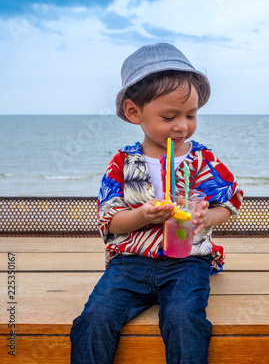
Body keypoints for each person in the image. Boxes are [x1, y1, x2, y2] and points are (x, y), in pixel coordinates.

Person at [70, 43, 243, 364]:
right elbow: (111, 222)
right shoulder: (123, 163)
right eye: (169, 116)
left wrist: (206, 217)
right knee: (93, 320)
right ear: (134, 112)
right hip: (129, 265)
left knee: (182, 319)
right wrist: (144, 214)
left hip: (188, 262)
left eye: (191, 115)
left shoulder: (201, 160)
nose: (182, 125)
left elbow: (231, 202)